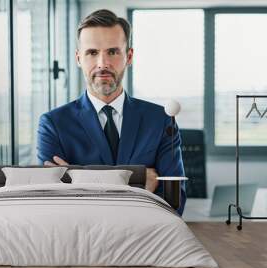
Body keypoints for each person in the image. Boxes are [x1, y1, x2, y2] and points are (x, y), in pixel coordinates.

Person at [37, 9, 186, 215]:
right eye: (92, 53)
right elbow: (53, 204)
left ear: (129, 56)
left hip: (144, 241)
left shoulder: (160, 121)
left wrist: (78, 180)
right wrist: (138, 184)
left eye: (113, 52)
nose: (102, 64)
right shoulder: (53, 124)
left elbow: (175, 203)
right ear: (79, 58)